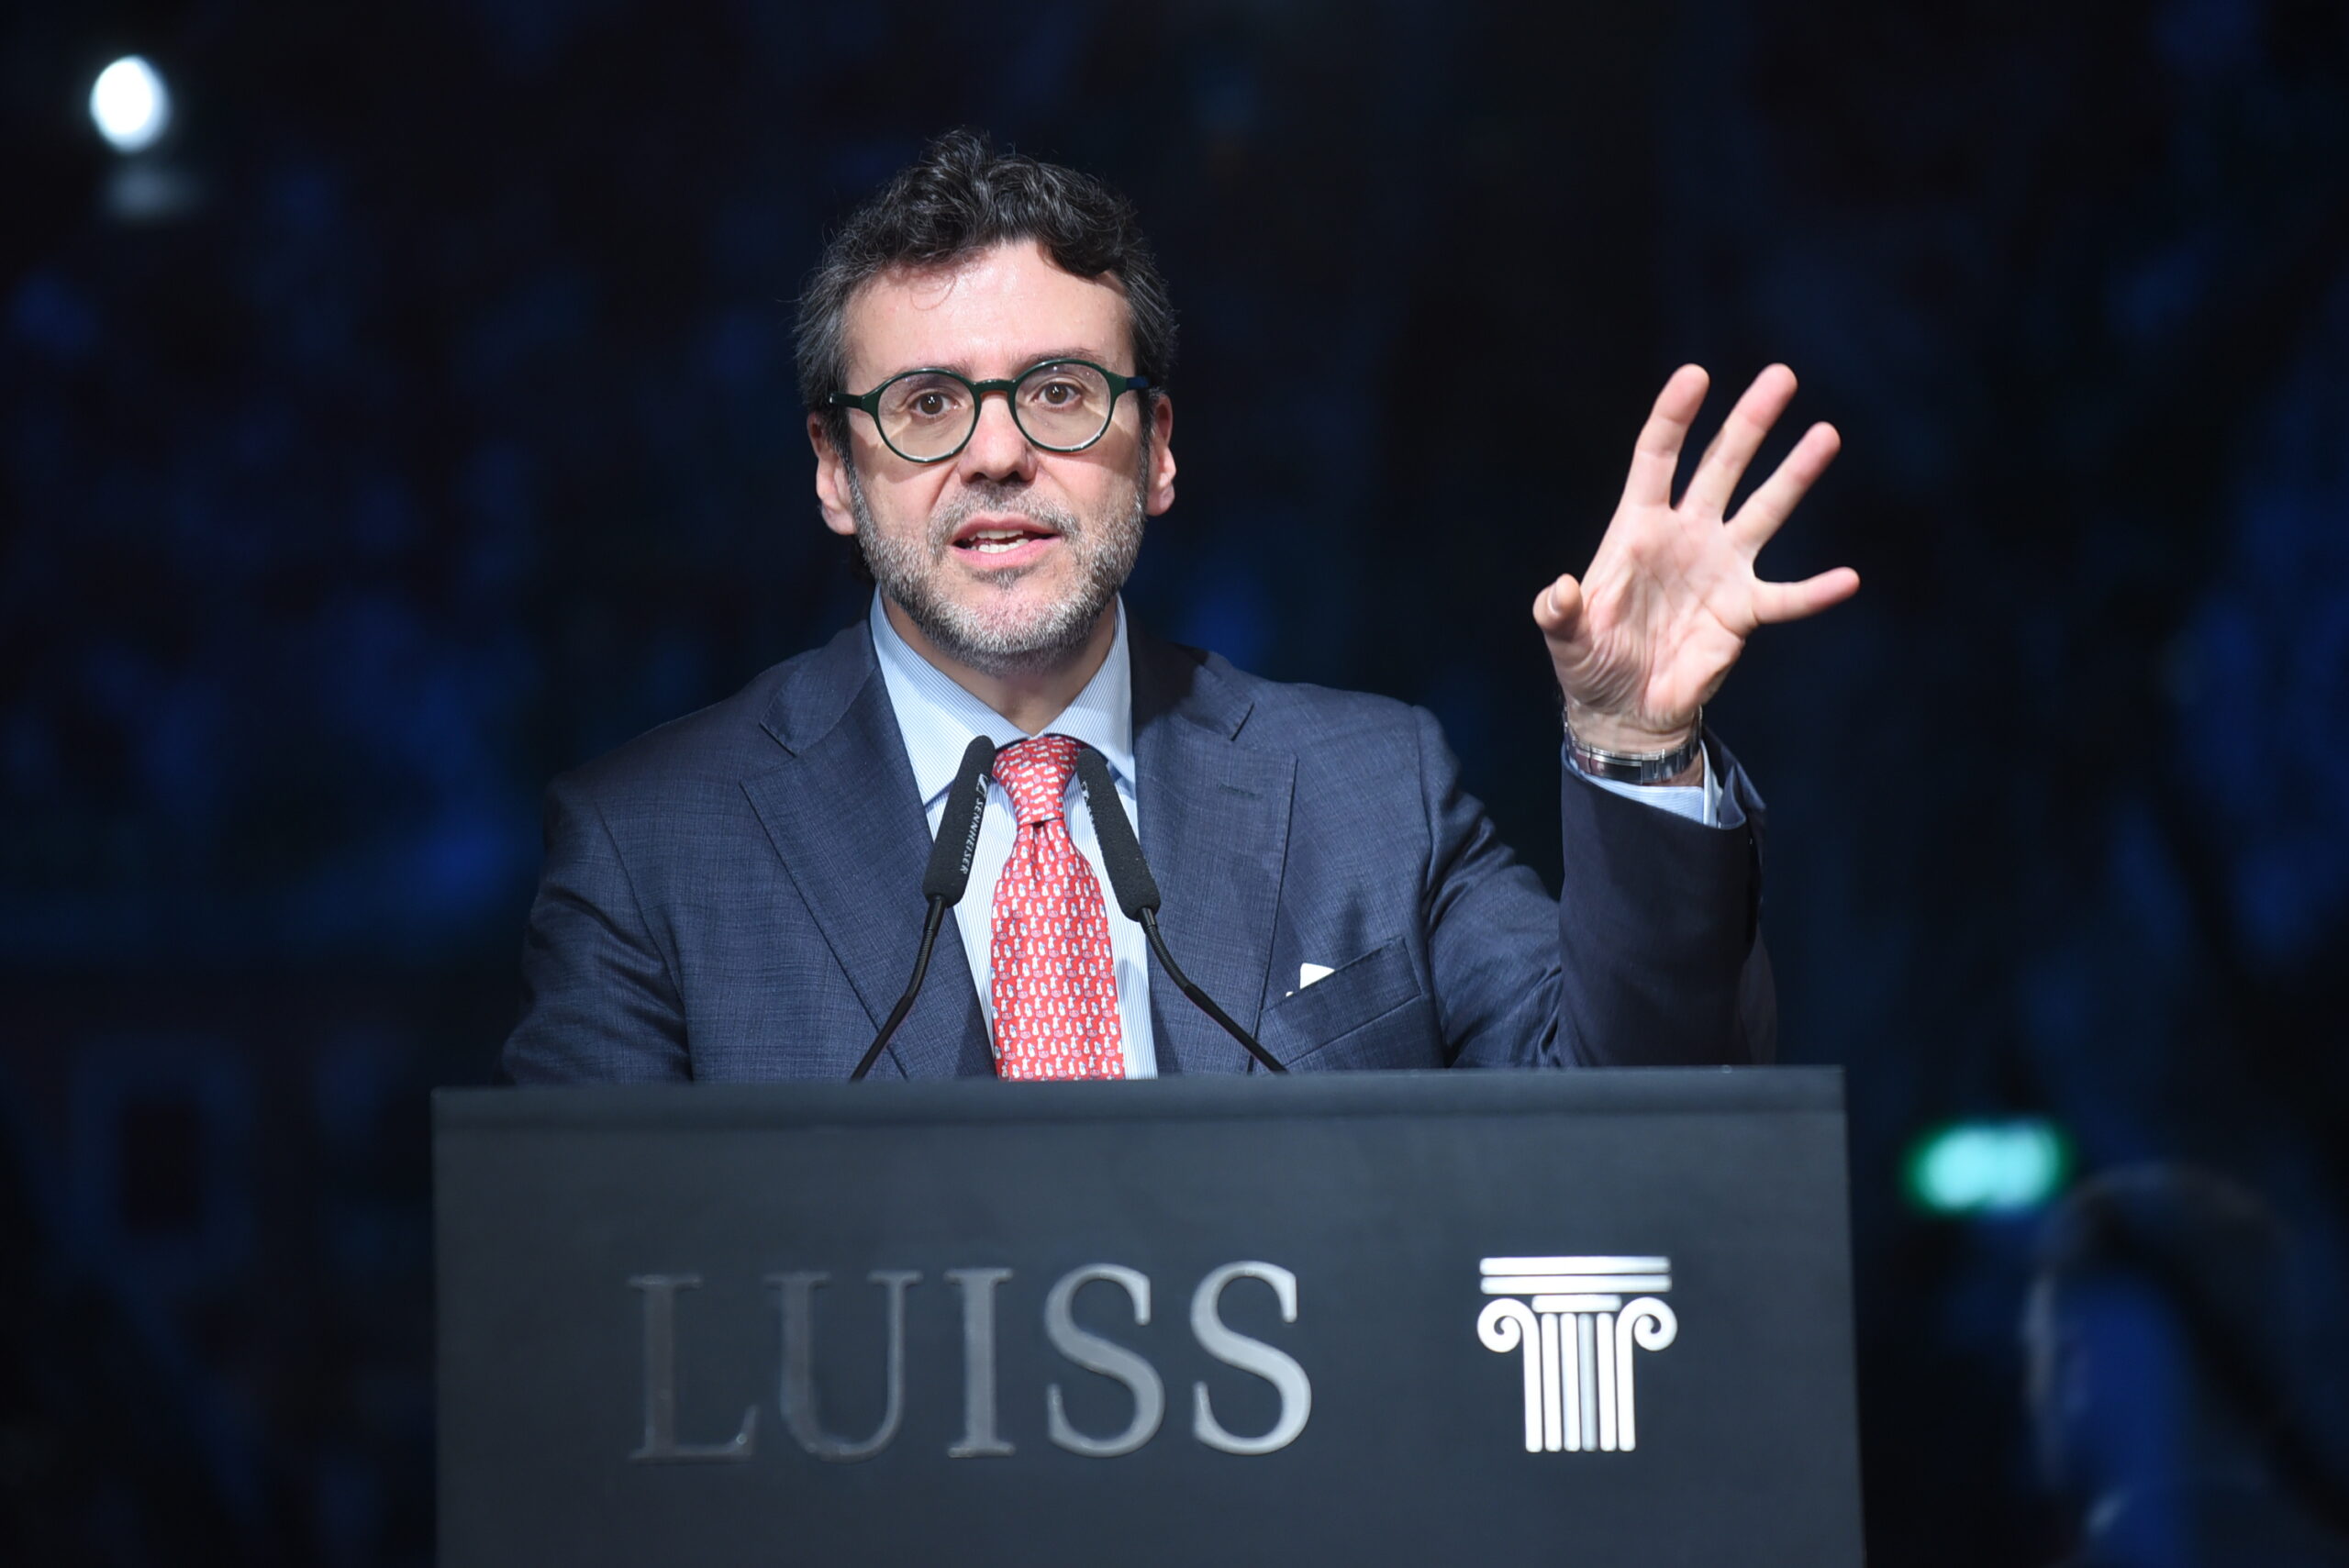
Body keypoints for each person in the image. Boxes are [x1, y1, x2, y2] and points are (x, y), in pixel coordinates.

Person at [500, 129, 1859, 1084]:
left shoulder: (1372, 792)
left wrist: (1635, 748)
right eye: (925, 404)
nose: (995, 454)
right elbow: (583, 1304)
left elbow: (1638, 1125)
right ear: (833, 472)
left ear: (1155, 449)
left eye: (1059, 392)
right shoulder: (651, 851)